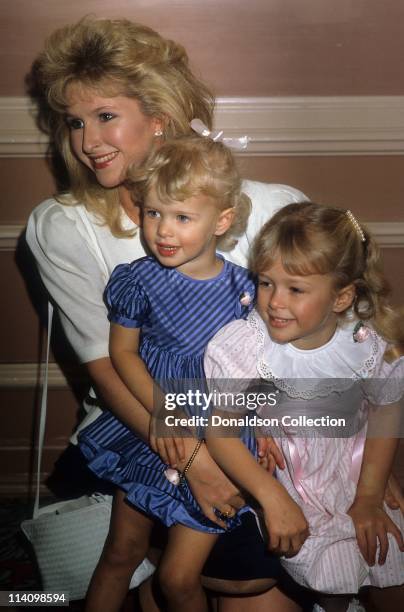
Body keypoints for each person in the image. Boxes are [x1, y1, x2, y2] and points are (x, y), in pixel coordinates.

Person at [25, 16, 310, 612]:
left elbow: (326, 342)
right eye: (74, 122)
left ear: (159, 118)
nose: (86, 140)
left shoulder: (271, 209)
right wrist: (199, 460)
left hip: (258, 423)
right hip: (141, 426)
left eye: (105, 116)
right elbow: (108, 364)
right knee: (227, 580)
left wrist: (356, 454)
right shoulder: (63, 227)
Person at [205, 202, 404, 611]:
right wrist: (271, 497)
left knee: (387, 558)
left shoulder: (363, 345)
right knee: (330, 578)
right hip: (292, 485)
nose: (275, 302)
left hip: (356, 477)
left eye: (295, 289)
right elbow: (219, 430)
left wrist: (368, 494)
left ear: (341, 296)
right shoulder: (246, 347)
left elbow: (385, 410)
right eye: (265, 283)